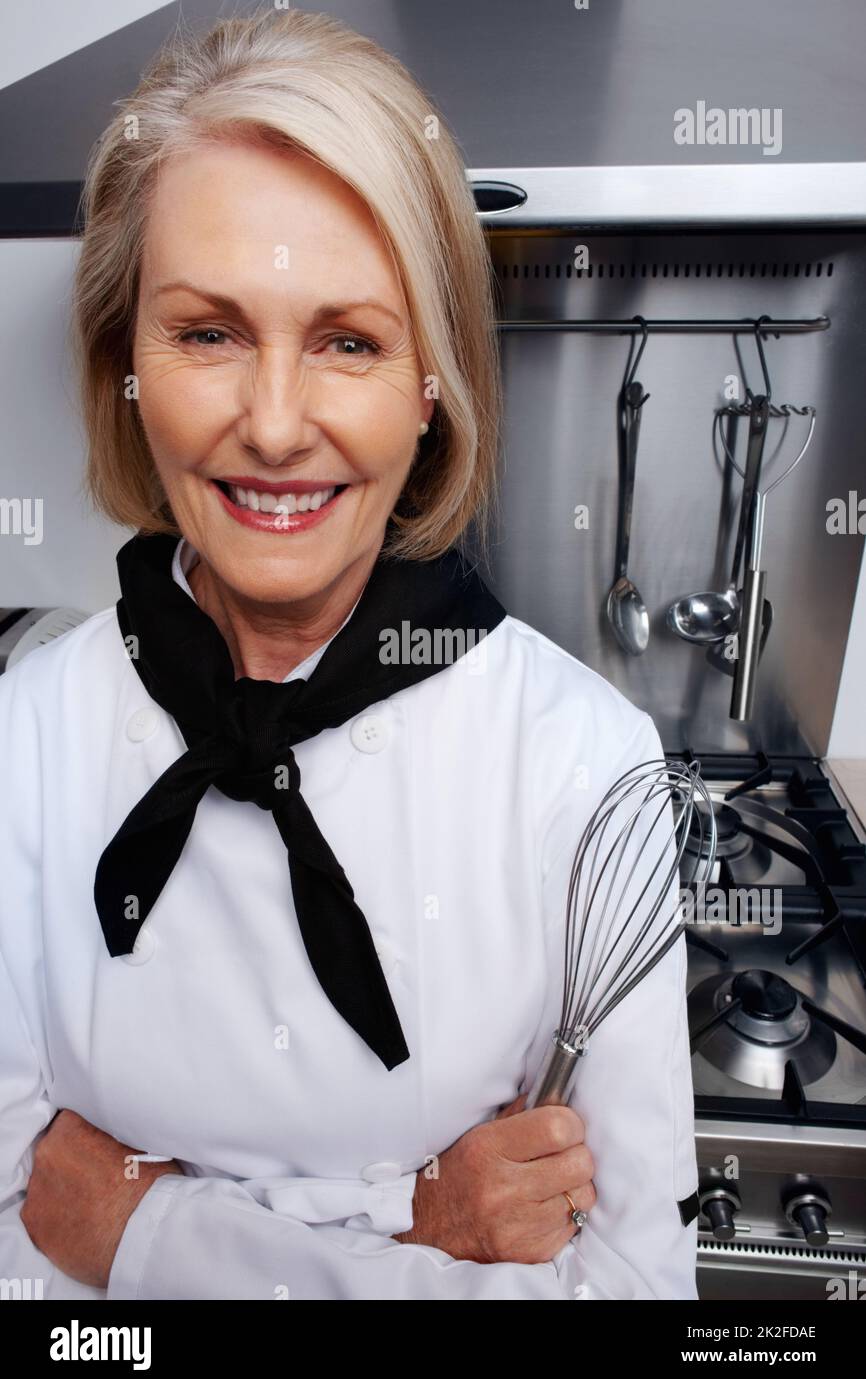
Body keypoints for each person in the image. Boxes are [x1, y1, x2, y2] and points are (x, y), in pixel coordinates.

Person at [0, 8, 698, 1301]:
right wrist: (416, 1226)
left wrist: (138, 1234)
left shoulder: (587, 764)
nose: (274, 424)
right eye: (207, 332)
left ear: (429, 380)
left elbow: (633, 1297)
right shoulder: (20, 740)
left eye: (349, 340)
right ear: (127, 367)